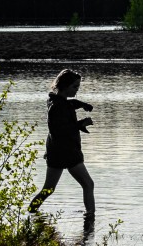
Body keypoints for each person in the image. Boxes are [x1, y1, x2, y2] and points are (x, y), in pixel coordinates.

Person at [28, 68, 96, 215]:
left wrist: (81, 104)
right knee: (88, 184)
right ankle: (90, 217)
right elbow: (58, 131)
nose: (77, 90)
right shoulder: (56, 107)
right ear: (65, 86)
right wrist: (80, 124)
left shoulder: (56, 101)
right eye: (74, 87)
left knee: (49, 189)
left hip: (56, 152)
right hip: (67, 152)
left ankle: (31, 213)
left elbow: (68, 104)